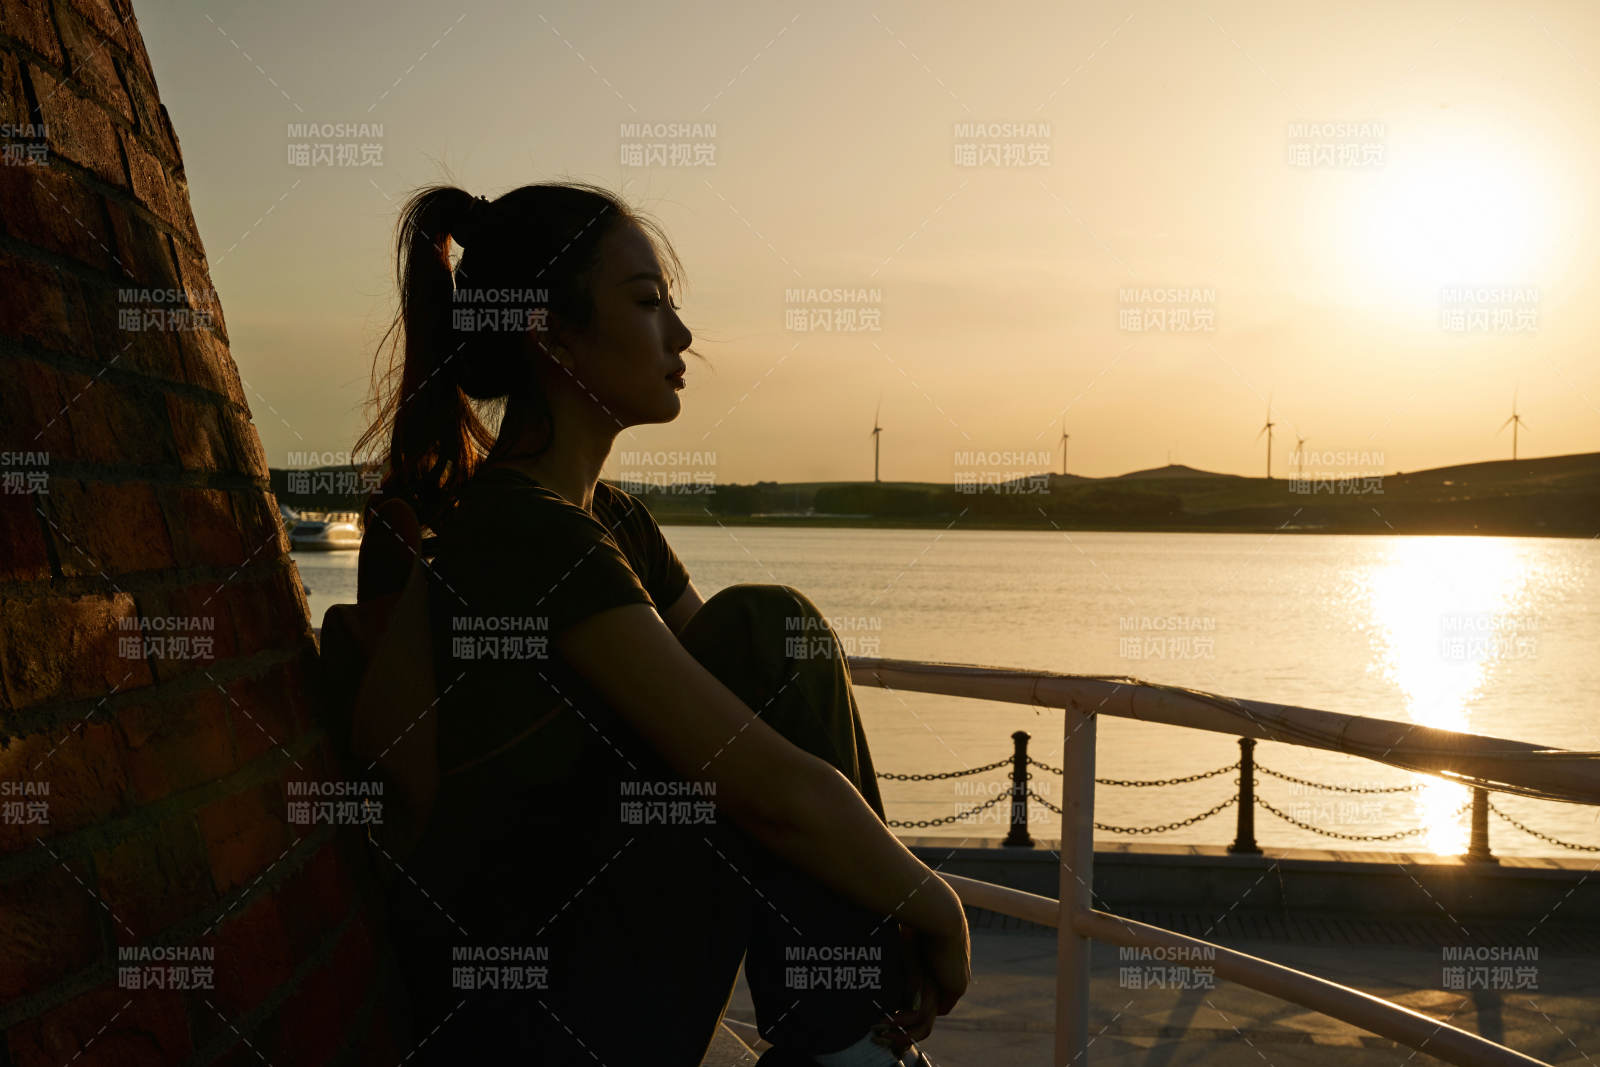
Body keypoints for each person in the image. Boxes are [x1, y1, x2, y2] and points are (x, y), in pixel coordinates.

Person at [351, 181, 971, 1065]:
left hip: (587, 965)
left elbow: (757, 715)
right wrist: (932, 904)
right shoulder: (518, 531)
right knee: (769, 626)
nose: (681, 334)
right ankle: (857, 1045)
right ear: (550, 331)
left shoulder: (610, 522)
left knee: (770, 635)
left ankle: (855, 1043)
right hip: (523, 1023)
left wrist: (887, 892)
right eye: (647, 303)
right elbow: (762, 782)